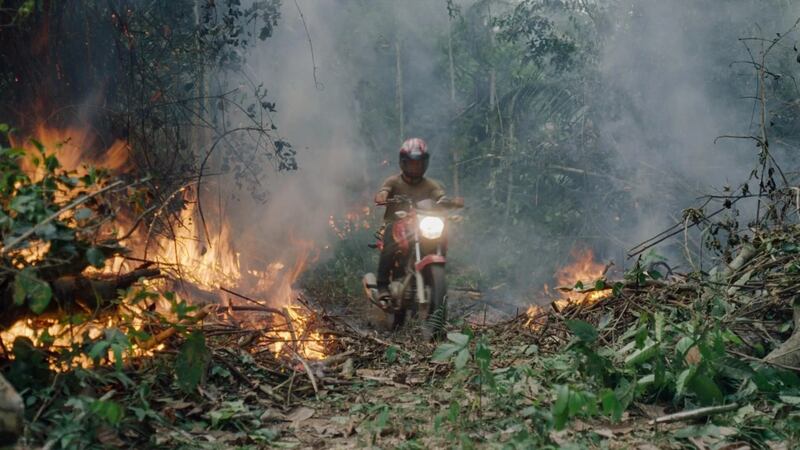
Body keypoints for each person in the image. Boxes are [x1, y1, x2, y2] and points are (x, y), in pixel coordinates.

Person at [374, 138, 446, 307]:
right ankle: (382, 285)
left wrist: (447, 202)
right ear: (403, 163)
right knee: (390, 243)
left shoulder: (430, 184)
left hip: (419, 225)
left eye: (419, 163)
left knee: (442, 234)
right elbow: (384, 191)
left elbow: (439, 195)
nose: (415, 167)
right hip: (396, 224)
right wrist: (382, 196)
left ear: (425, 164)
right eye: (412, 163)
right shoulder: (394, 181)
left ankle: (433, 280)